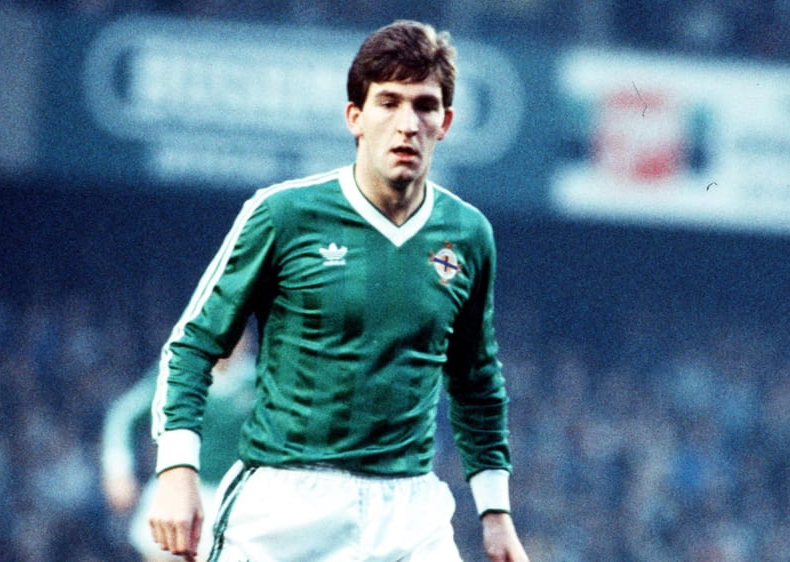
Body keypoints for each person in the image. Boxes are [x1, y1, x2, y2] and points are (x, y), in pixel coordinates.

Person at [148, 19, 529, 562]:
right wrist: (176, 472)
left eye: (424, 106)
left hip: (409, 510)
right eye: (388, 102)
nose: (407, 124)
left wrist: (496, 516)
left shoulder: (468, 234)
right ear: (355, 117)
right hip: (285, 504)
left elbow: (476, 382)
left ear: (444, 123)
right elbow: (191, 348)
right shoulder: (283, 214)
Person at [101, 334, 256, 561]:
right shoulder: (180, 373)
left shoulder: (258, 380)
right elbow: (125, 415)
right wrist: (118, 471)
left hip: (232, 500)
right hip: (177, 486)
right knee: (158, 554)